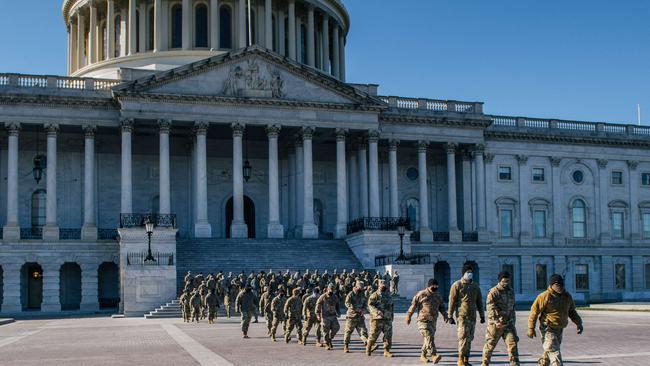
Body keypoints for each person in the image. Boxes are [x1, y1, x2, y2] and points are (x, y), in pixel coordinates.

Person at [528, 274, 583, 366]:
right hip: (548, 329)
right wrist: (531, 328)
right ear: (552, 285)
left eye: (561, 285)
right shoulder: (544, 296)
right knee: (555, 353)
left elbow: (572, 311)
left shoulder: (567, 296)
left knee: (549, 351)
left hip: (559, 328)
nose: (559, 287)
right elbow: (534, 312)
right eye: (557, 285)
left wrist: (579, 323)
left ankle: (543, 363)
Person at [448, 264, 484, 366]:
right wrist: (450, 316)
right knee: (463, 337)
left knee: (469, 338)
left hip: (472, 317)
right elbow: (452, 301)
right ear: (463, 273)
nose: (470, 274)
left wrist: (482, 315)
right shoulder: (457, 285)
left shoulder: (475, 286)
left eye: (471, 272)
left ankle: (466, 359)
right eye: (468, 272)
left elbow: (479, 302)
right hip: (462, 316)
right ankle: (460, 359)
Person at [482, 271, 519, 366]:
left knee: (513, 345)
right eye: (504, 281)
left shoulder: (511, 291)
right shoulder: (494, 292)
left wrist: (513, 322)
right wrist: (496, 321)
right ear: (500, 280)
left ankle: (515, 364)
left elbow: (512, 308)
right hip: (496, 325)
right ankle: (485, 363)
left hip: (508, 324)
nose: (506, 283)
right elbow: (490, 307)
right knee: (490, 346)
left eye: (508, 281)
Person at [406, 278, 447, 364]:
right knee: (429, 337)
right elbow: (413, 305)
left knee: (428, 339)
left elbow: (442, 307)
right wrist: (409, 316)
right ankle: (434, 355)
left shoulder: (438, 295)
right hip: (423, 320)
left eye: (436, 286)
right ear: (429, 286)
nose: (435, 287)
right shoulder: (421, 294)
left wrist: (445, 316)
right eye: (433, 286)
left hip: (433, 321)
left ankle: (423, 355)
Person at [366, 280, 394, 358]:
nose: (383, 286)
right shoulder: (374, 295)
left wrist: (392, 316)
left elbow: (391, 306)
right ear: (379, 286)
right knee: (373, 336)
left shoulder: (389, 295)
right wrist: (377, 311)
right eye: (382, 285)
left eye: (385, 285)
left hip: (387, 319)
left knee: (388, 336)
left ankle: (386, 351)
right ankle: (368, 347)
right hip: (377, 319)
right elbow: (370, 306)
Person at [343, 280, 369, 353]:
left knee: (363, 331)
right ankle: (346, 346)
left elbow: (365, 305)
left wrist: (363, 311)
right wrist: (354, 308)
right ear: (356, 286)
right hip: (351, 316)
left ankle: (368, 345)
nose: (361, 289)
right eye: (360, 288)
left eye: (362, 288)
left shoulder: (362, 294)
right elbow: (347, 303)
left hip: (360, 317)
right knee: (348, 331)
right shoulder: (351, 294)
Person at [315, 283, 340, 350]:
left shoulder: (335, 297)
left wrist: (338, 312)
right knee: (326, 330)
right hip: (325, 316)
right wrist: (318, 314)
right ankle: (326, 344)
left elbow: (337, 305)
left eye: (333, 290)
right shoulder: (323, 297)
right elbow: (318, 305)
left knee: (336, 327)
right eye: (330, 290)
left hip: (333, 316)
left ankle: (329, 339)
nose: (331, 291)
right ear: (327, 289)